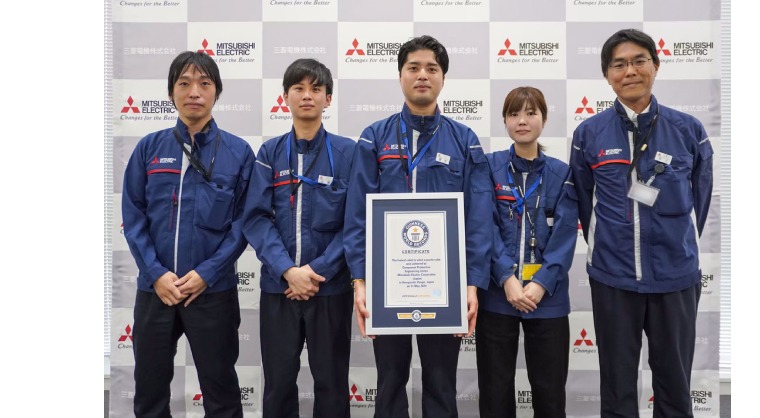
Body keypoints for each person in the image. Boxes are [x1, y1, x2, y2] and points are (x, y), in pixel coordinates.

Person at [343, 35, 494, 418]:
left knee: (442, 381)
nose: (422, 75)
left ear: (443, 78)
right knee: (390, 378)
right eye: (414, 67)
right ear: (400, 76)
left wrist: (471, 282)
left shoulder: (464, 140)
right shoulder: (374, 137)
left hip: (444, 286)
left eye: (432, 68)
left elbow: (477, 217)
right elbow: (358, 213)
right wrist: (360, 281)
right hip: (387, 284)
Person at [569, 28, 714, 418]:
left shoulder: (688, 130)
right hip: (613, 278)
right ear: (607, 75)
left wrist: (675, 243)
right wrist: (610, 244)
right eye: (619, 64)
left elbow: (699, 201)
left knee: (674, 382)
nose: (629, 71)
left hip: (676, 277)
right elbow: (585, 204)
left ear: (655, 65)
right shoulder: (589, 134)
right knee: (617, 386)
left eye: (638, 61)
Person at [122, 51, 255, 418]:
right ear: (171, 94)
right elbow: (132, 218)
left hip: (211, 292)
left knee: (221, 392)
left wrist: (207, 274)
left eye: (204, 83)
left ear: (216, 93)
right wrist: (156, 273)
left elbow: (243, 223)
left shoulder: (238, 152)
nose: (194, 91)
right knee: (149, 391)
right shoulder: (149, 148)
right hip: (155, 291)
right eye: (184, 83)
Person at [242, 58, 355, 418]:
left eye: (316, 89)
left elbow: (355, 223)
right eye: (299, 89)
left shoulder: (348, 153)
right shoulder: (269, 154)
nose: (307, 96)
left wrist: (316, 271)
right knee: (277, 385)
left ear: (328, 99)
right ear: (285, 97)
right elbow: (256, 220)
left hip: (330, 289)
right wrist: (288, 271)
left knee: (333, 384)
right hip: (280, 290)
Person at [477, 86, 578, 418]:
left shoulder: (562, 173)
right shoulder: (489, 168)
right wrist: (506, 277)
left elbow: (565, 236)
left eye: (531, 113)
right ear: (505, 121)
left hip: (546, 299)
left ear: (544, 120)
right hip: (497, 296)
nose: (522, 120)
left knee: (549, 393)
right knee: (495, 390)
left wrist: (539, 284)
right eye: (514, 113)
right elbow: (483, 227)